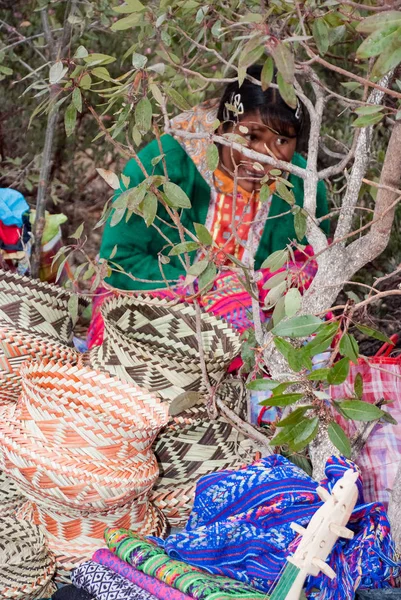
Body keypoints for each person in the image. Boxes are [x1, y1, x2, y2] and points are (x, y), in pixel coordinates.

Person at [99, 64, 329, 292]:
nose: (264, 156)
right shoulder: (160, 167)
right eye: (250, 136)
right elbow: (118, 263)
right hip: (155, 305)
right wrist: (206, 289)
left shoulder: (302, 184)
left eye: (281, 141)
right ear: (222, 128)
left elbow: (313, 263)